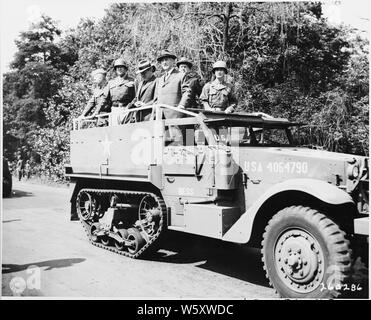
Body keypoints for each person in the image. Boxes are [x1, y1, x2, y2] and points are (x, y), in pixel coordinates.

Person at [154, 50, 191, 119]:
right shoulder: (160, 79)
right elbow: (156, 97)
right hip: (160, 116)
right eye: (162, 61)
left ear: (173, 61)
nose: (164, 62)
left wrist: (181, 105)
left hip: (175, 115)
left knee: (186, 130)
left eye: (166, 60)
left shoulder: (181, 75)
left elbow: (187, 92)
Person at [104, 58, 135, 124]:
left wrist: (130, 106)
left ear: (125, 69)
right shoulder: (111, 82)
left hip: (126, 109)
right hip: (114, 110)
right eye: (117, 67)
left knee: (126, 130)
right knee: (114, 131)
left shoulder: (132, 81)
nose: (119, 69)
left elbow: (136, 96)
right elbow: (106, 99)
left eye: (121, 67)